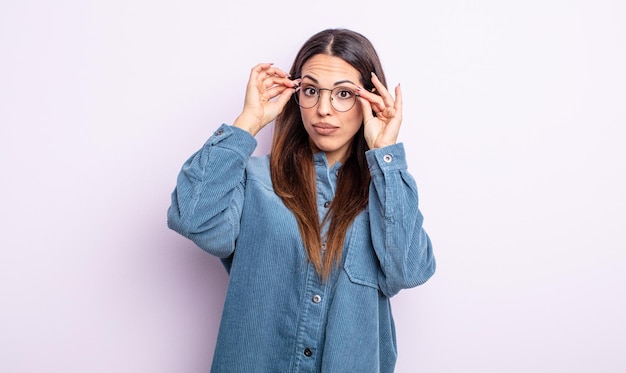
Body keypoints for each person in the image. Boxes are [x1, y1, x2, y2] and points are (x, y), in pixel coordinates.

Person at [167, 28, 436, 373]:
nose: (323, 109)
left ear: (369, 100)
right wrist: (248, 122)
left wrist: (385, 154)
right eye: (311, 91)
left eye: (343, 94)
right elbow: (191, 217)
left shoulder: (386, 197)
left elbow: (409, 271)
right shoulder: (253, 180)